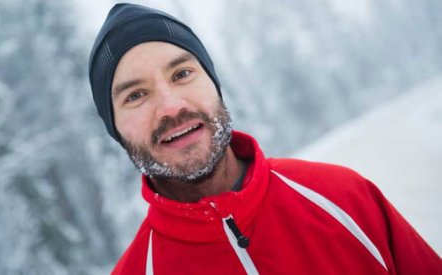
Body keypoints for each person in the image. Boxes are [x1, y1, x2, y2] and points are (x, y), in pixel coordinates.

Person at [88, 3, 441, 274]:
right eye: (135, 95)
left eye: (182, 73)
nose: (171, 106)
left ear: (213, 85)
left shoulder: (343, 197)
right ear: (115, 128)